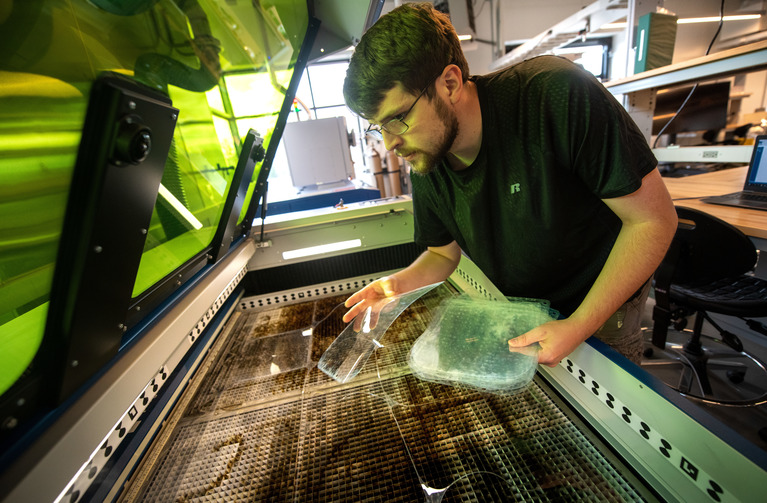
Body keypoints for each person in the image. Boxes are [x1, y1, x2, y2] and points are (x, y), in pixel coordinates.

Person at [341, 2, 677, 366]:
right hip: (528, 311)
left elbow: (652, 221)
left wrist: (579, 324)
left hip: (599, 302)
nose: (390, 143)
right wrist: (397, 286)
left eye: (398, 118)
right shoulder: (428, 154)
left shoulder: (554, 95)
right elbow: (442, 254)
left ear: (450, 83)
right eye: (379, 125)